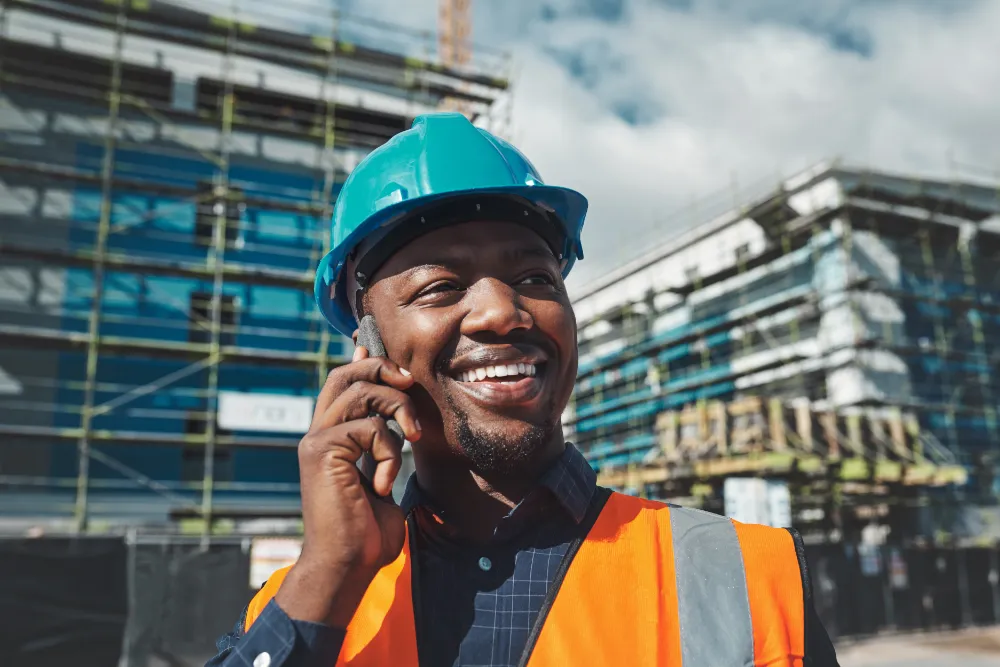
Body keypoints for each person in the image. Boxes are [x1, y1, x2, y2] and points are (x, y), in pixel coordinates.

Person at [207, 112, 840, 667]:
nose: (500, 314)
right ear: (369, 354)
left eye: (535, 277)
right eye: (440, 287)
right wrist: (329, 573)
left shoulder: (751, 579)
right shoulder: (303, 601)